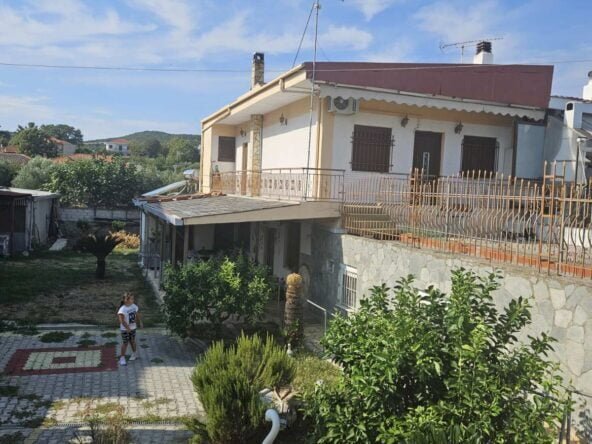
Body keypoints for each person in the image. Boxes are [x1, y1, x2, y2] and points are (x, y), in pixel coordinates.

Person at [117, 292, 143, 366]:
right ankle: (122, 358)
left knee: (132, 341)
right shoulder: (122, 309)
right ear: (126, 300)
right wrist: (127, 328)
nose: (133, 300)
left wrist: (140, 322)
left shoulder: (134, 306)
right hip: (125, 329)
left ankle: (135, 354)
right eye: (131, 299)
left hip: (133, 328)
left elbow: (137, 314)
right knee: (125, 343)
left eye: (133, 298)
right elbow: (121, 321)